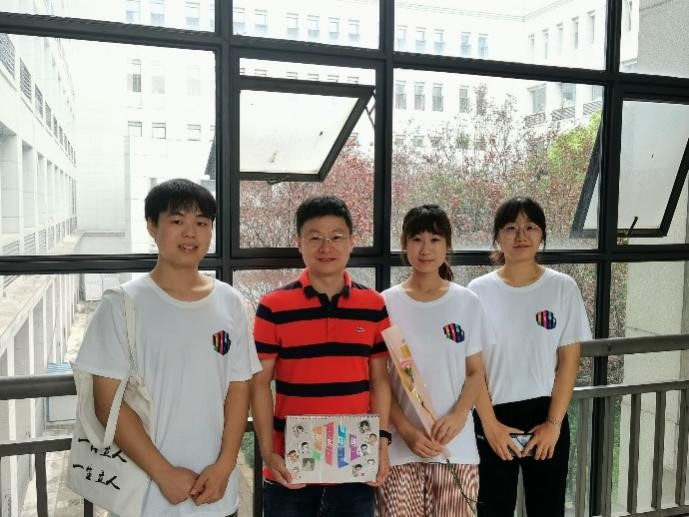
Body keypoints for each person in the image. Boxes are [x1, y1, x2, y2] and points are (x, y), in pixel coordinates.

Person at [74, 178, 261, 517]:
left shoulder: (229, 302)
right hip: (146, 500)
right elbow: (107, 404)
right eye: (177, 221)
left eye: (201, 223)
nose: (190, 233)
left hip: (217, 496)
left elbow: (239, 387)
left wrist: (224, 467)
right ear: (152, 226)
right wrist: (163, 474)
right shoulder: (122, 305)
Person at [250, 195, 391, 517]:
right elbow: (259, 384)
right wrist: (268, 452)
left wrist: (381, 444)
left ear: (352, 242)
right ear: (299, 243)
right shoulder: (273, 306)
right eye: (315, 237)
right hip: (290, 469)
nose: (326, 247)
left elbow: (381, 381)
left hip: (355, 466)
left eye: (336, 237)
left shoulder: (373, 305)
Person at [468, 196, 590, 517]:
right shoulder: (478, 290)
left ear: (542, 235)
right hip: (493, 416)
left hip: (546, 414)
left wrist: (553, 424)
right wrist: (490, 425)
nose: (521, 235)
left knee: (547, 509)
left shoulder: (563, 288)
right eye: (511, 227)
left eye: (531, 227)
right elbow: (473, 366)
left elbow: (569, 361)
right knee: (492, 510)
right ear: (497, 236)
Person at [377, 204, 490, 517]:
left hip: (456, 449)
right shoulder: (385, 303)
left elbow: (476, 372)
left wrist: (458, 416)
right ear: (404, 244)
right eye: (417, 239)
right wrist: (407, 431)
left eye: (435, 239)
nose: (425, 249)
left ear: (447, 245)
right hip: (400, 450)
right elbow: (380, 378)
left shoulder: (467, 302)